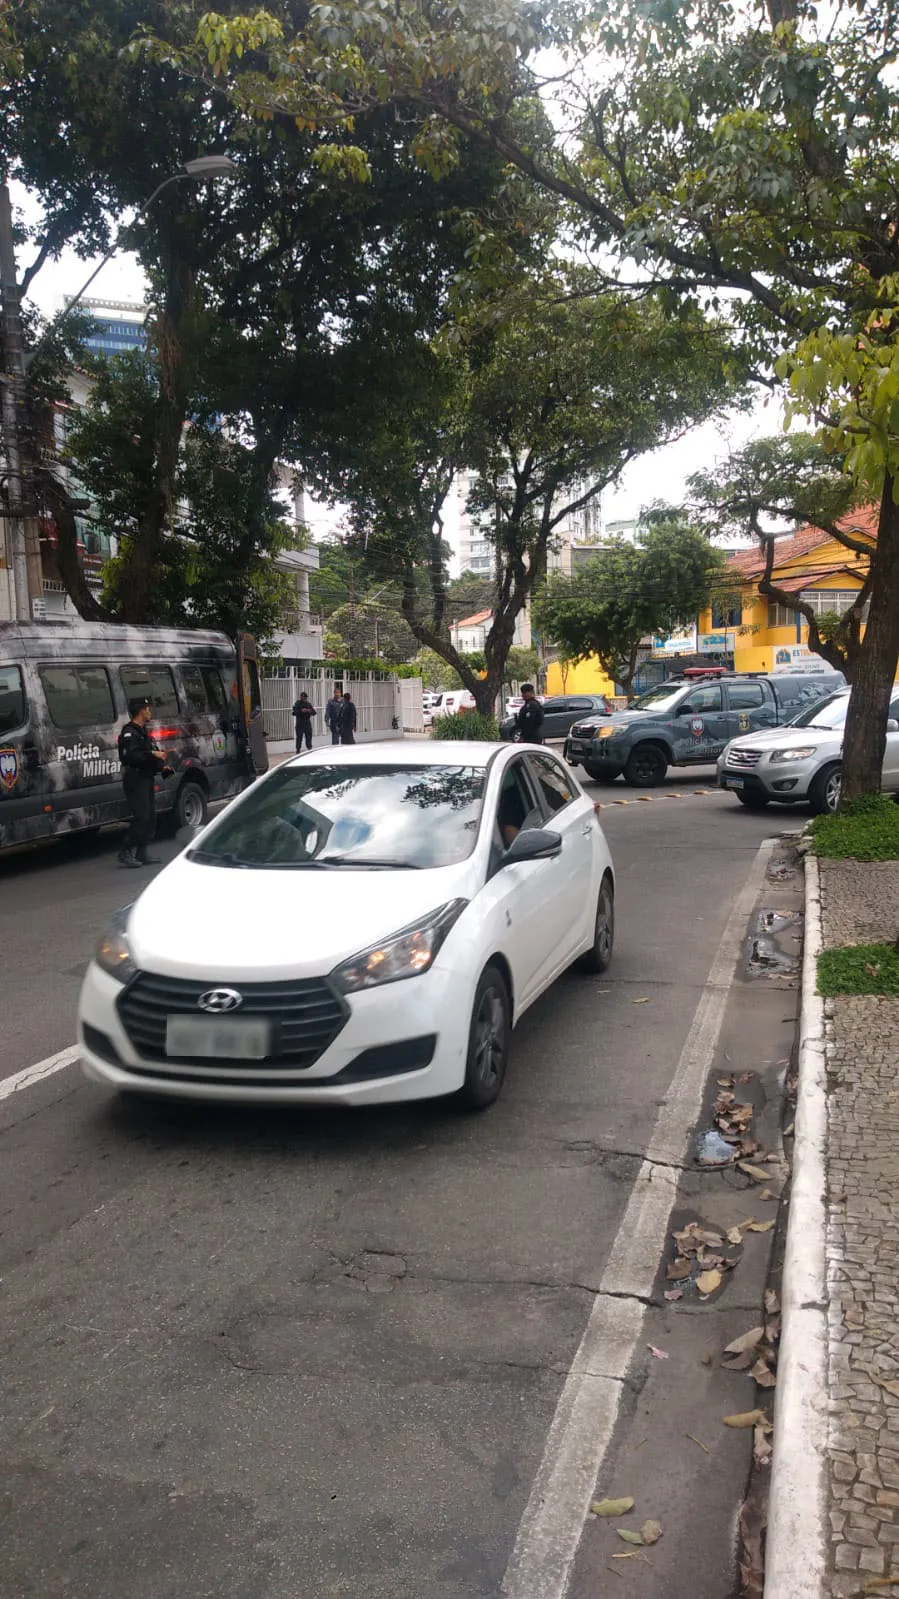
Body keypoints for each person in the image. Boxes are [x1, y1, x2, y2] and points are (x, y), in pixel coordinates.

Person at [117, 696, 173, 868]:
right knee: (142, 817)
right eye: (148, 709)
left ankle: (142, 851)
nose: (150, 712)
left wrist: (161, 766)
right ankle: (125, 851)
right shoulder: (129, 732)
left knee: (150, 817)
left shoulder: (143, 732)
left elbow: (149, 753)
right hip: (135, 779)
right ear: (141, 710)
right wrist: (152, 755)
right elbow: (130, 756)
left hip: (146, 778)